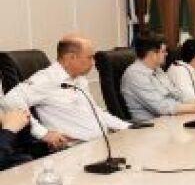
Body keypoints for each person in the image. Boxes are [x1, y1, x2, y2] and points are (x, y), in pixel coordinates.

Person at [1, 35, 130, 149]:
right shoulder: (47, 78)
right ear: (71, 57)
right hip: (73, 150)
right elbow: (10, 100)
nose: (93, 63)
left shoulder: (79, 79)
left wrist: (127, 127)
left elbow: (95, 112)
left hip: (99, 144)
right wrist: (43, 133)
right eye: (90, 58)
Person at [121, 34, 195, 122]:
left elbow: (177, 94)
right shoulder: (135, 74)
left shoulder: (157, 70)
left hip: (169, 120)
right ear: (152, 54)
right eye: (163, 51)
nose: (166, 54)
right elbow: (162, 108)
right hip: (150, 125)